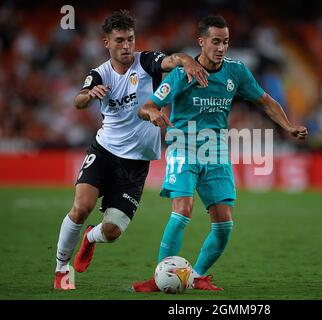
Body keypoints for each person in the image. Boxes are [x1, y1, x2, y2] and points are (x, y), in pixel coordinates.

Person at [132, 15, 308, 292]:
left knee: (224, 224)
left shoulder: (236, 71)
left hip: (216, 153)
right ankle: (160, 278)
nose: (221, 47)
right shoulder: (182, 74)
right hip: (184, 147)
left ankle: (198, 275)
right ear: (201, 42)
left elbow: (265, 101)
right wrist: (153, 112)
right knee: (183, 210)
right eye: (215, 42)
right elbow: (147, 106)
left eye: (225, 42)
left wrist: (287, 125)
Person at [53, 10, 209, 290]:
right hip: (104, 152)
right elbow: (78, 101)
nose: (127, 46)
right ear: (107, 43)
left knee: (112, 232)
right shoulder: (99, 74)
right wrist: (88, 95)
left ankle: (90, 238)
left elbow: (173, 60)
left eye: (131, 39)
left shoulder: (147, 62)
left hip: (136, 164)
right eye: (120, 40)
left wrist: (187, 61)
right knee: (80, 208)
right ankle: (61, 269)